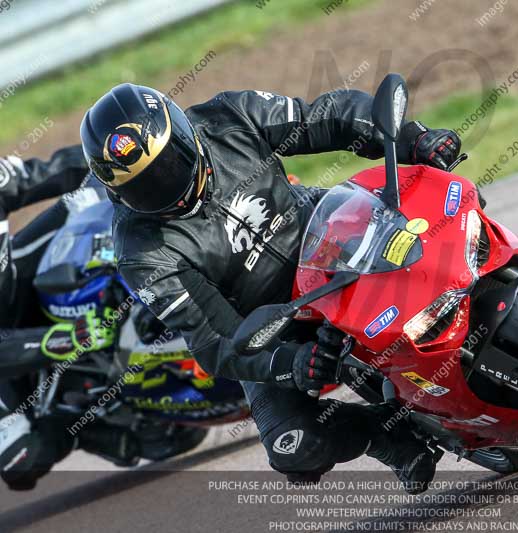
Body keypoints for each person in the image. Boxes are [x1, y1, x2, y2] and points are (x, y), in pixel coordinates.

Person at [79, 83, 462, 494]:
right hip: (269, 322)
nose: (167, 185)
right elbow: (215, 340)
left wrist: (414, 139)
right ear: (117, 191)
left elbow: (325, 116)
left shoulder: (228, 116)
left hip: (328, 239)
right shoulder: (143, 253)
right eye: (145, 186)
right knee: (293, 448)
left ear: (184, 132)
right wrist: (290, 362)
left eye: (171, 163)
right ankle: (387, 435)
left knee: (438, 224)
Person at [0, 146, 122, 490]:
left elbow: (56, 169)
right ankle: (82, 422)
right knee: (20, 461)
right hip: (7, 355)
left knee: (93, 196)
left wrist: (111, 154)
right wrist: (62, 340)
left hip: (22, 279)